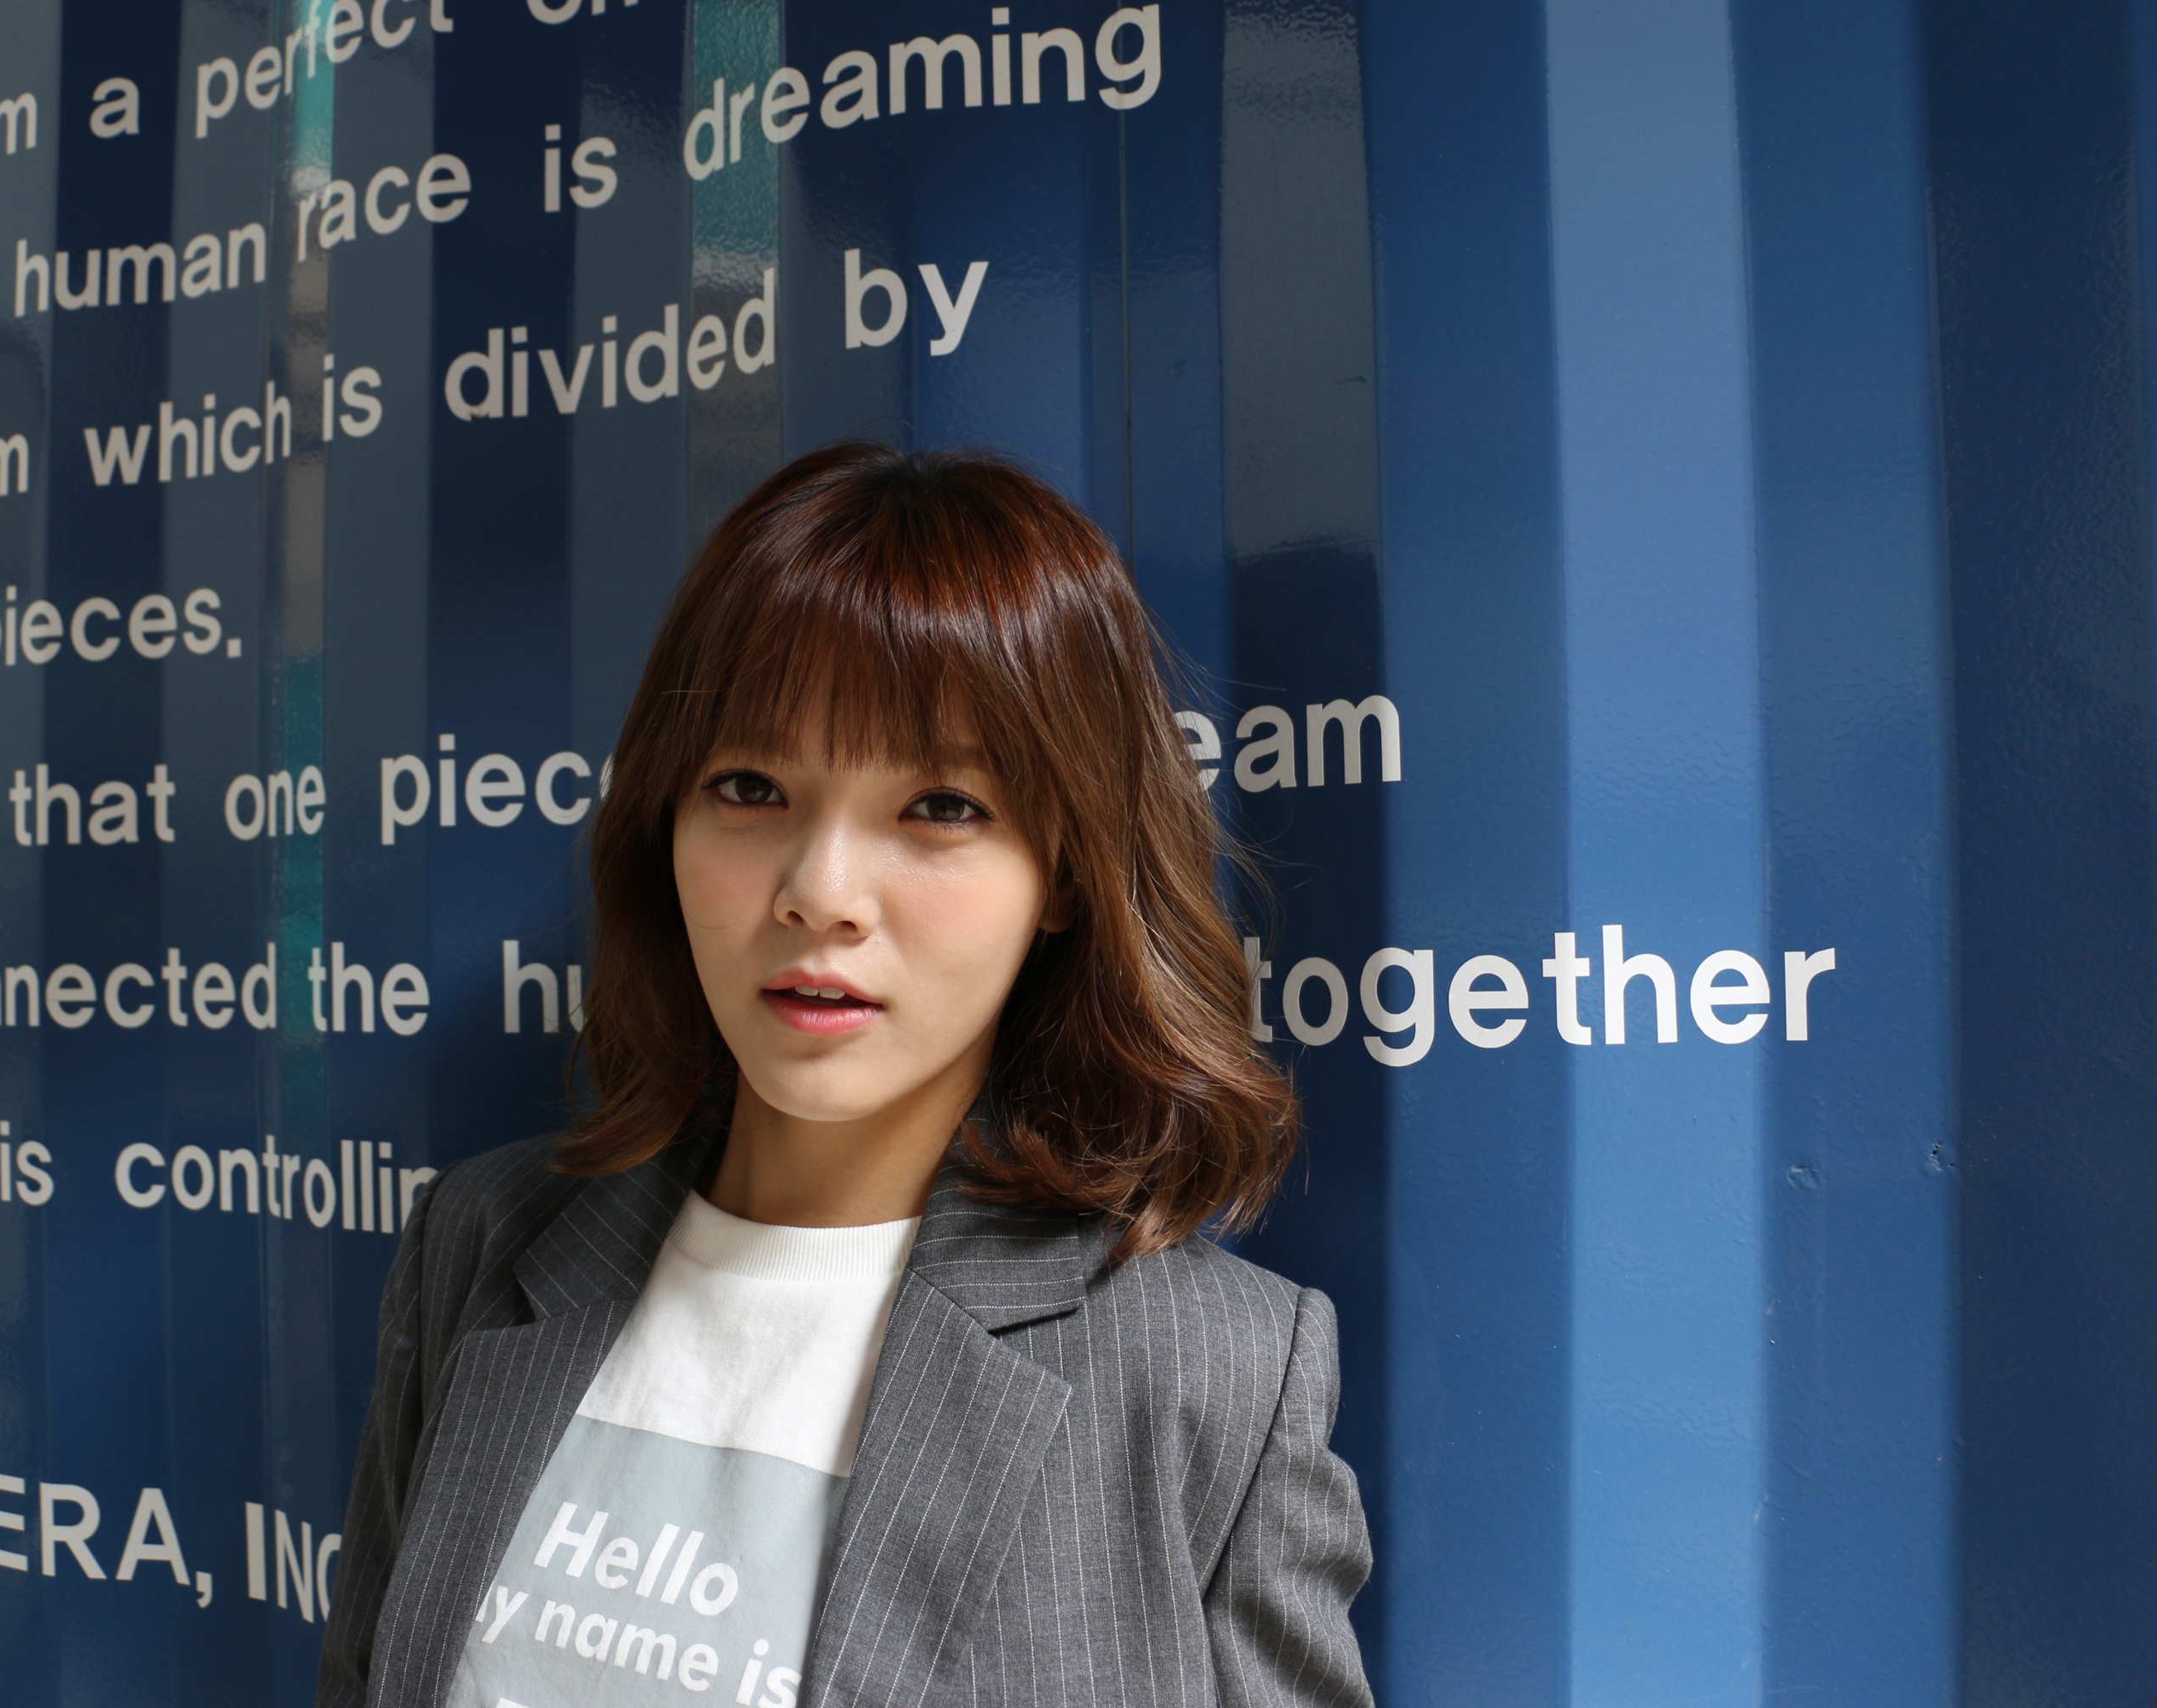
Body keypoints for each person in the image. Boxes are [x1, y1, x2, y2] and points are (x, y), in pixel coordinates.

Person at [318, 442, 1373, 1707]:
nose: (819, 893)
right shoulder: (482, 1240)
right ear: (665, 825)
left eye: (940, 807)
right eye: (750, 786)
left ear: (1065, 872)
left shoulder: (1208, 1372)